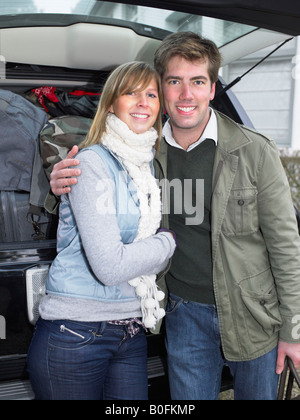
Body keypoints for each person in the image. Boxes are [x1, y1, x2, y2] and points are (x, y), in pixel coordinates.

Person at [47, 32, 300, 400]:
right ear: (162, 88)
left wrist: (293, 330)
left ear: (212, 88)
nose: (186, 95)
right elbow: (99, 197)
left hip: (254, 315)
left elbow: (286, 247)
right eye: (174, 82)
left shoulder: (254, 151)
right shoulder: (141, 150)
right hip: (182, 314)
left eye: (197, 81)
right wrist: (62, 189)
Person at [27, 61, 176, 401]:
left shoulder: (146, 164)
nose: (143, 102)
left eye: (151, 94)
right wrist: (167, 243)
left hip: (131, 329)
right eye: (131, 93)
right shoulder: (92, 163)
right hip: (76, 333)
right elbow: (110, 267)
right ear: (111, 103)